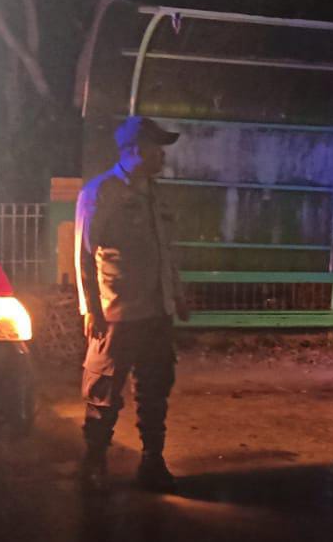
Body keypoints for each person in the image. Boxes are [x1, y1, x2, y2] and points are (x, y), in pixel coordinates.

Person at [74, 116, 190, 494]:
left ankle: (152, 462)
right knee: (104, 391)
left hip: (156, 312)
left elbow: (166, 251)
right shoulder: (100, 192)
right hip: (117, 313)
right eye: (157, 149)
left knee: (155, 390)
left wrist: (177, 295)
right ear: (135, 150)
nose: (163, 157)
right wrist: (91, 309)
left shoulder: (156, 194)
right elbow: (83, 254)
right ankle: (94, 463)